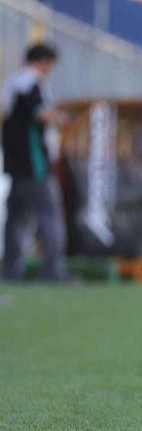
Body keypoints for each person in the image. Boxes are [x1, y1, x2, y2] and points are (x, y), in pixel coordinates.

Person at [2, 43, 67, 281]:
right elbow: (40, 114)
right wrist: (59, 118)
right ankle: (52, 270)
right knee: (49, 215)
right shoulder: (30, 82)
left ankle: (11, 269)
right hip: (34, 163)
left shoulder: (10, 82)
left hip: (15, 163)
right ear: (45, 61)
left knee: (16, 218)